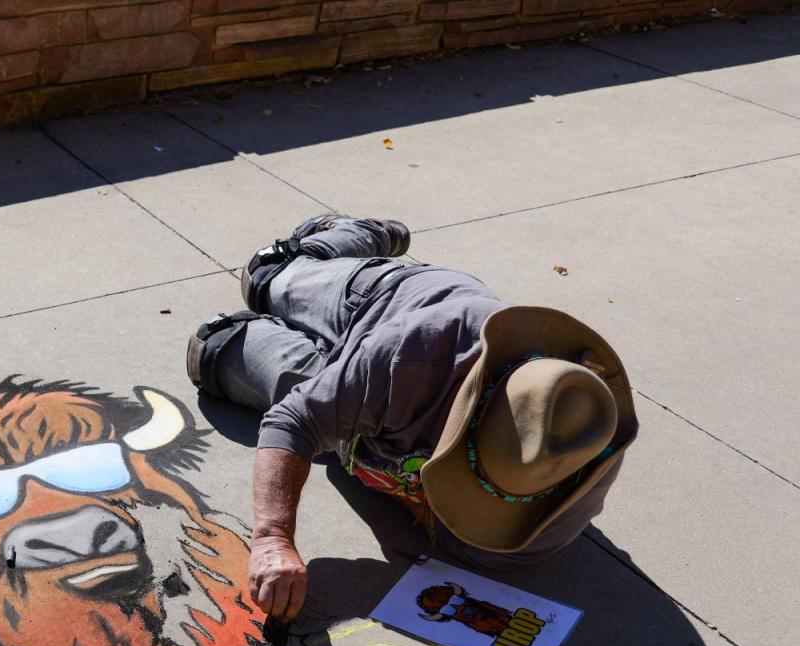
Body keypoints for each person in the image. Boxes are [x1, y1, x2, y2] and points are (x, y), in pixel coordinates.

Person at [186, 215, 638, 624]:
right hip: (380, 302)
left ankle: (333, 382)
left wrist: (386, 462)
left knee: (214, 347)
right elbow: (292, 422)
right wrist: (272, 538)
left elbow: (452, 537)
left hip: (372, 406)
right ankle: (362, 237)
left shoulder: (543, 513)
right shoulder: (421, 352)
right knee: (264, 277)